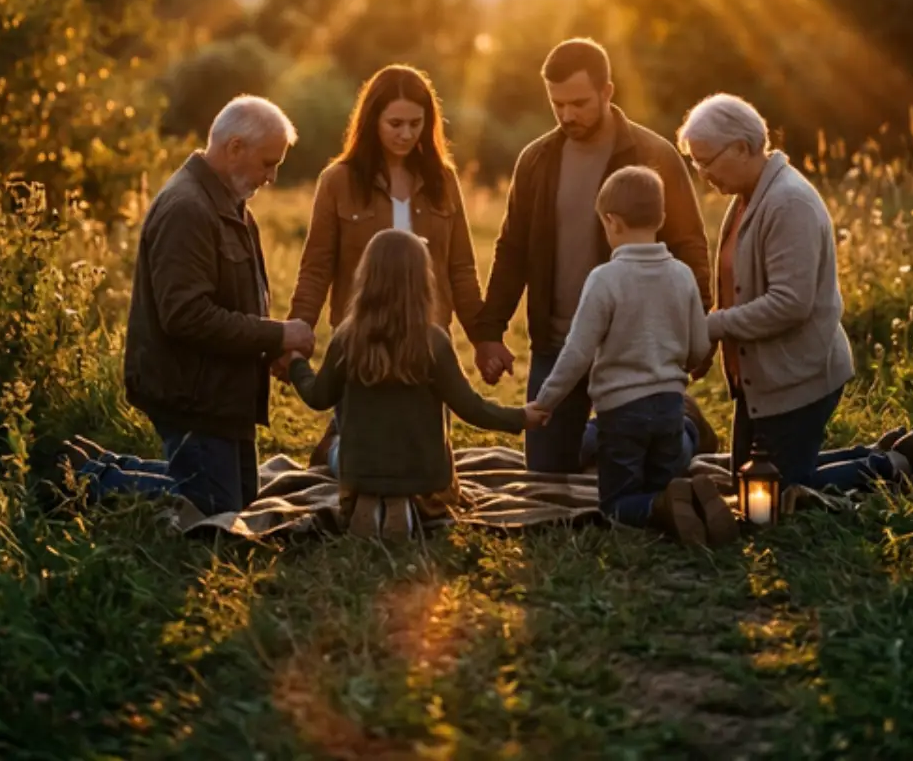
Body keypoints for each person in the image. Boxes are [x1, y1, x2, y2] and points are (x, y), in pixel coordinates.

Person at [678, 93, 913, 494]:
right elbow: (737, 290)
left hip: (796, 377)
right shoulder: (744, 199)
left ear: (742, 147)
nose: (701, 173)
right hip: (761, 381)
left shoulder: (789, 203)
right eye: (695, 162)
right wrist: (708, 346)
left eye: (706, 160)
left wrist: (713, 326)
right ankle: (886, 450)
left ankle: (896, 466)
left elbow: (790, 304)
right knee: (745, 480)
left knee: (767, 494)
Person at [473, 38, 715, 474]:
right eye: (557, 104)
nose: (568, 115)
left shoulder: (654, 155)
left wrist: (697, 333)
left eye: (580, 103)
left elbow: (691, 246)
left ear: (607, 92)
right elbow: (512, 249)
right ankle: (609, 435)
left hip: (633, 349)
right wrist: (490, 331)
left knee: (652, 470)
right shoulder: (536, 161)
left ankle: (683, 425)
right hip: (558, 343)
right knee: (546, 471)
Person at [69, 96, 316, 515]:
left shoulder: (230, 202)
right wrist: (278, 334)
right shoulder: (188, 209)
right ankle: (88, 477)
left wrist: (268, 348)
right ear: (235, 148)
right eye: (268, 163)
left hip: (221, 391)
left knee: (241, 499)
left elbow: (234, 299)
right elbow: (186, 317)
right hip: (192, 395)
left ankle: (109, 467)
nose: (272, 177)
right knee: (215, 507)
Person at [288, 64, 489, 470]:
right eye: (395, 123)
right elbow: (316, 267)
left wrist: (485, 340)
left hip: (429, 338)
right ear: (372, 120)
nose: (406, 133)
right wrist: (298, 331)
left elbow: (462, 269)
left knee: (429, 461)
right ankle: (338, 448)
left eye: (416, 123)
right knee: (368, 456)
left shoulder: (444, 181)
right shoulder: (337, 181)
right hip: (362, 338)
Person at [525, 167, 739, 546]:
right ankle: (680, 497)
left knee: (617, 503)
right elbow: (698, 346)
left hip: (623, 412)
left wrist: (546, 402)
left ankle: (663, 506)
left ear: (611, 221)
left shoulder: (605, 279)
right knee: (660, 478)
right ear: (661, 219)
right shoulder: (682, 275)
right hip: (671, 405)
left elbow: (577, 352)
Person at [284, 229, 544, 538]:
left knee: (335, 447)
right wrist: (521, 417)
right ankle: (408, 503)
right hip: (425, 477)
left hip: (360, 470)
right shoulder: (434, 341)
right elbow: (471, 408)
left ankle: (367, 498)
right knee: (439, 475)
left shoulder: (346, 338)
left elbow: (318, 396)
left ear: (366, 277)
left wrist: (296, 364)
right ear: (422, 281)